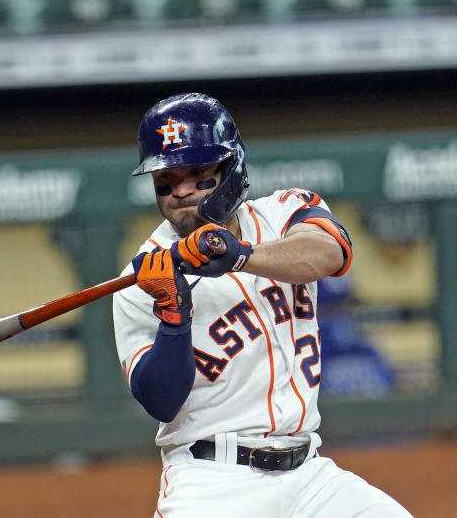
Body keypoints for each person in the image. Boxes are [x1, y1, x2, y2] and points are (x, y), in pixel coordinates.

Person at [112, 93, 412, 517]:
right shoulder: (142, 279)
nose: (180, 190)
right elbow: (161, 402)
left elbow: (332, 252)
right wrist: (174, 316)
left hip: (311, 476)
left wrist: (241, 256)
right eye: (166, 178)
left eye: (196, 172)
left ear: (231, 170)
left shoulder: (284, 212)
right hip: (214, 482)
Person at [316, 275, 395, 396]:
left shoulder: (367, 350)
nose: (339, 314)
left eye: (344, 306)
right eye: (330, 308)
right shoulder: (308, 357)